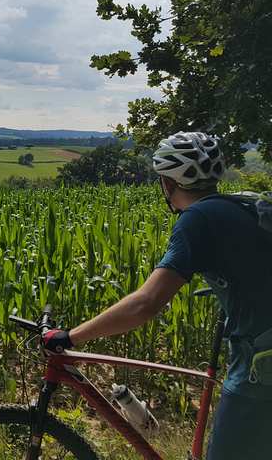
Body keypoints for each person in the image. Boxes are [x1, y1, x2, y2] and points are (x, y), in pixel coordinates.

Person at [43, 131, 272, 460]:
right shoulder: (242, 205)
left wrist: (71, 336)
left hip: (259, 372)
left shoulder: (198, 219)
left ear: (168, 183)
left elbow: (145, 303)